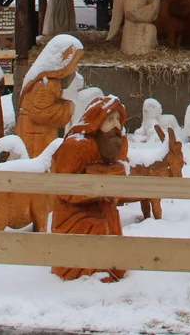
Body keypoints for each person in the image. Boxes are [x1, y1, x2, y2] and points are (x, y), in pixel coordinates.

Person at [50, 95, 129, 281]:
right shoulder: (77, 146)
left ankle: (110, 268)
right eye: (110, 119)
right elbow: (63, 187)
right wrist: (95, 188)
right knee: (96, 225)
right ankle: (85, 274)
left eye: (118, 119)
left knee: (110, 221)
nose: (116, 125)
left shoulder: (114, 145)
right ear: (96, 121)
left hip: (102, 207)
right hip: (73, 215)